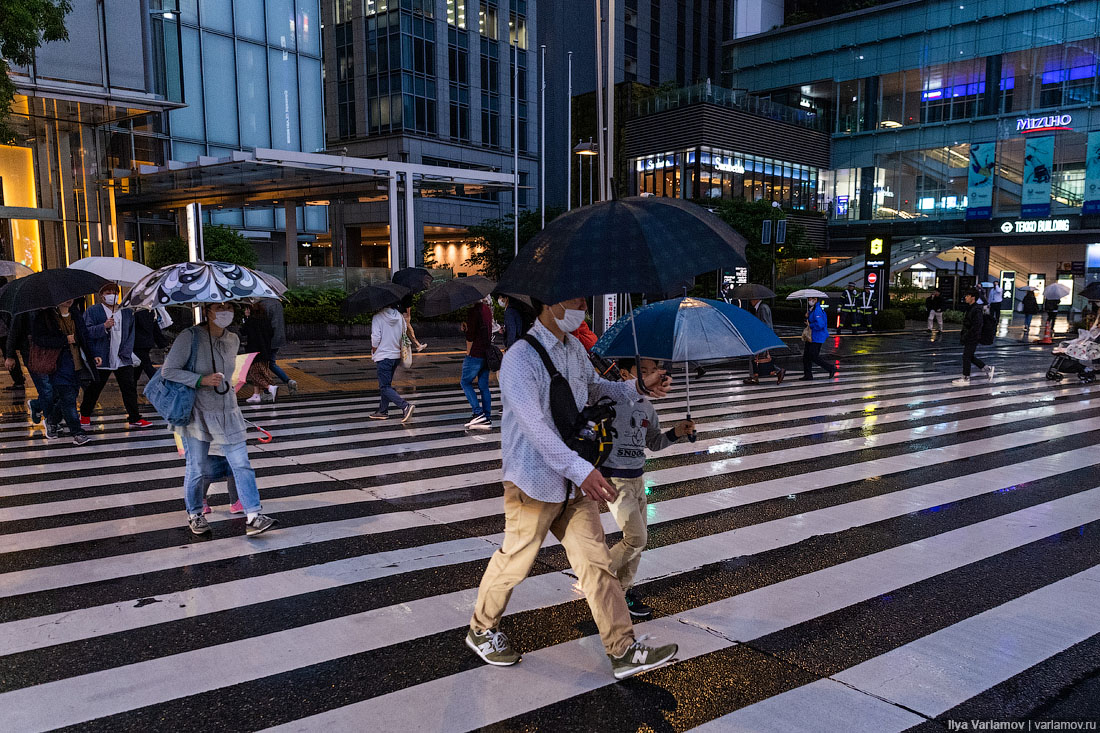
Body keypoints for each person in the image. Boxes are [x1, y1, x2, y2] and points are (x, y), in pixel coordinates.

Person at [466, 296, 679, 680]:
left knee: (597, 566)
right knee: (515, 563)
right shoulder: (520, 359)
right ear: (547, 302)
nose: (582, 304)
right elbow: (535, 430)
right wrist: (582, 471)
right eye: (574, 298)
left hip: (574, 482)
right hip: (533, 482)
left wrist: (639, 386)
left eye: (583, 297)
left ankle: (624, 649)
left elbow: (597, 390)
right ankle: (481, 629)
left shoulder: (574, 350)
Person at [161, 301, 277, 537]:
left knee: (242, 464)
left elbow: (228, 375)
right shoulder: (189, 337)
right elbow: (168, 371)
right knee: (197, 468)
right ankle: (195, 514)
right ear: (207, 310)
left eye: (230, 307)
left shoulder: (232, 339)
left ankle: (253, 515)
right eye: (219, 307)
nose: (225, 312)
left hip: (228, 411)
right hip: (198, 413)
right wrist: (200, 380)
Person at [604, 356, 695, 618]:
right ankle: (596, 578)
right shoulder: (609, 401)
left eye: (653, 371)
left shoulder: (646, 406)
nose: (650, 376)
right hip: (615, 479)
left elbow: (654, 442)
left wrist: (677, 432)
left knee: (638, 542)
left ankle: (622, 593)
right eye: (642, 372)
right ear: (624, 374)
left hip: (637, 479)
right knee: (636, 538)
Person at [81, 283, 151, 428]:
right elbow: (86, 332)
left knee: (129, 387)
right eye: (107, 291)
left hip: (122, 356)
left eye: (114, 291)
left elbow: (130, 333)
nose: (111, 294)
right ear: (101, 295)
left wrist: (127, 351)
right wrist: (103, 327)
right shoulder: (93, 311)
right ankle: (85, 415)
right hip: (102, 356)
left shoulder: (126, 312)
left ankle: (134, 417)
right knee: (95, 387)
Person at [31, 300, 98, 445]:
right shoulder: (45, 316)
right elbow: (38, 339)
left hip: (77, 363)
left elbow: (85, 335)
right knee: (69, 400)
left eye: (71, 297)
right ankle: (77, 433)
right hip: (58, 364)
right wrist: (63, 340)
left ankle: (52, 420)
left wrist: (94, 354)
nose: (69, 300)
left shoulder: (75, 313)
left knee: (68, 397)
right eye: (65, 298)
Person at [7, 311, 55, 434]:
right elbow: (14, 331)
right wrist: (10, 355)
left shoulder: (53, 308)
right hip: (32, 353)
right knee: (46, 388)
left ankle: (37, 405)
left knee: (54, 389)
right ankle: (51, 422)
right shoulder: (25, 310)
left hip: (52, 352)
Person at [370, 303, 415, 422]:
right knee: (387, 385)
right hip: (396, 355)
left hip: (383, 356)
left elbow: (375, 338)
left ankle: (405, 406)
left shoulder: (377, 317)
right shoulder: (399, 316)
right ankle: (382, 411)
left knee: (384, 386)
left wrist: (374, 350)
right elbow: (403, 333)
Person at [462, 295, 494, 430]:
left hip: (475, 353)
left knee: (465, 382)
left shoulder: (473, 312)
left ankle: (478, 412)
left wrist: (468, 353)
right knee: (483, 385)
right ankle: (486, 416)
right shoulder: (487, 309)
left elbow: (470, 336)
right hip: (486, 353)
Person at [953, 288, 995, 386]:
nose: (965, 298)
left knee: (966, 356)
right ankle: (987, 369)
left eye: (967, 296)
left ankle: (966, 377)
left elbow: (977, 325)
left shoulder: (976, 309)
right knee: (969, 356)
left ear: (973, 297)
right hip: (970, 336)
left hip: (973, 337)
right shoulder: (972, 308)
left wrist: (969, 335)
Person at [241, 301, 280, 404]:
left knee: (253, 373)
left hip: (254, 350)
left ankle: (270, 387)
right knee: (260, 370)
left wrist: (246, 317)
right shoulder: (266, 320)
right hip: (265, 349)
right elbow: (271, 333)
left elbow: (243, 331)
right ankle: (256, 394)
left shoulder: (251, 320)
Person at [744, 298, 785, 385]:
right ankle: (777, 372)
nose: (750, 301)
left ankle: (755, 377)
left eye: (752, 299)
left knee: (756, 357)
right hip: (761, 337)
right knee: (759, 358)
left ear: (757, 299)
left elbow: (766, 324)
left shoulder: (762, 308)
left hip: (762, 337)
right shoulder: (760, 308)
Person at [262, 298, 298, 395]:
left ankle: (269, 388)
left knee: (264, 364)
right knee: (271, 363)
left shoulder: (263, 305)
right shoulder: (277, 303)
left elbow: (265, 324)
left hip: (268, 339)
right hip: (278, 337)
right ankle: (288, 381)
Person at [801, 296, 837, 380]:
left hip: (817, 336)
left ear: (816, 299)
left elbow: (820, 325)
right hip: (811, 336)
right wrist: (806, 317)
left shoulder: (817, 310)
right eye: (808, 299)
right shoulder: (812, 309)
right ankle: (808, 375)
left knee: (813, 356)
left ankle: (830, 368)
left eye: (811, 299)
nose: (809, 301)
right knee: (806, 356)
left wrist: (810, 325)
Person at [132, 307, 168, 381]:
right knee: (140, 366)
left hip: (138, 344)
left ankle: (158, 382)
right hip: (147, 343)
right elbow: (155, 328)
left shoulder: (136, 313)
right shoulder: (151, 312)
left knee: (146, 366)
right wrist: (162, 343)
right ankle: (131, 388)